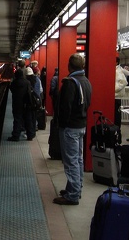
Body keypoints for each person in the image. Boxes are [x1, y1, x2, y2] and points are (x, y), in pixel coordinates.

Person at [53, 53, 92, 205]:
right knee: (78, 160)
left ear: (69, 66)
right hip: (81, 125)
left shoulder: (70, 83)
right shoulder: (86, 81)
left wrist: (61, 124)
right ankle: (75, 187)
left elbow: (65, 107)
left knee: (71, 162)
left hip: (70, 128)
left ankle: (73, 195)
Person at [8, 68, 35, 141]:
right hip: (26, 103)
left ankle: (16, 136)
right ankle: (30, 135)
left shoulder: (14, 83)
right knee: (28, 119)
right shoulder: (27, 82)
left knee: (17, 119)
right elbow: (29, 92)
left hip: (17, 104)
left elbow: (12, 90)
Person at [115, 57, 129, 127]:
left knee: (116, 115)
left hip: (116, 97)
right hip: (116, 97)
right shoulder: (118, 69)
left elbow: (124, 82)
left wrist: (114, 89)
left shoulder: (118, 71)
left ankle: (117, 130)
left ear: (116, 62)